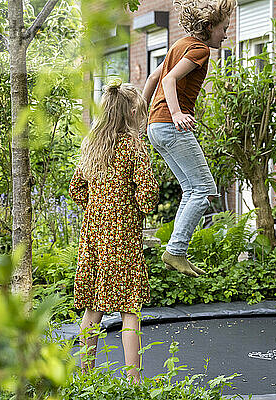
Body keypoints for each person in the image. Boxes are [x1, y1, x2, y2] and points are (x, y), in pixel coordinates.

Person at [69, 82, 159, 383]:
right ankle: (134, 383)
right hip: (123, 238)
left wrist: (98, 205)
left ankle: (85, 378)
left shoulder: (92, 144)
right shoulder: (133, 147)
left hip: (94, 236)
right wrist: (129, 204)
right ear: (132, 112)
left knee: (93, 307)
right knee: (129, 310)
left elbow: (76, 188)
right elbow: (147, 196)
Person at [142, 0, 235, 277]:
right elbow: (168, 81)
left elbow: (152, 78)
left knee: (192, 189)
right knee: (205, 189)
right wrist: (177, 113)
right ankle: (176, 251)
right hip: (171, 125)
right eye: (224, 29)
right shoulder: (200, 48)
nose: (226, 35)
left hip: (156, 127)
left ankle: (177, 250)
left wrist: (141, 115)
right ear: (208, 27)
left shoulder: (178, 44)